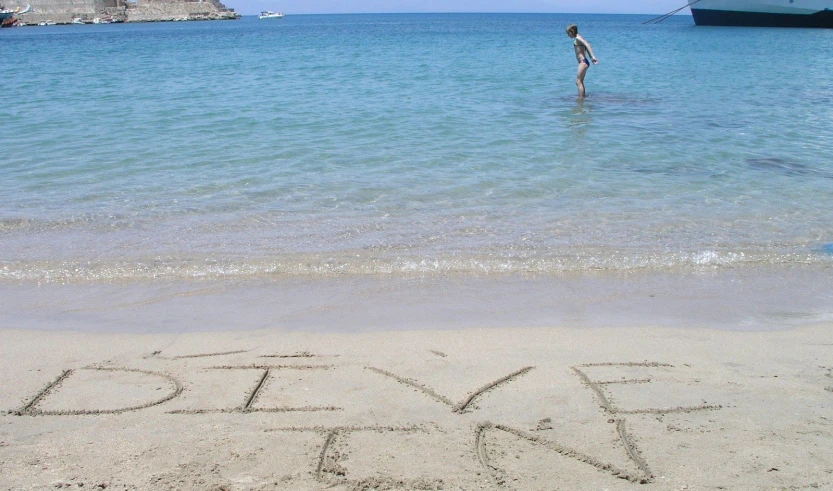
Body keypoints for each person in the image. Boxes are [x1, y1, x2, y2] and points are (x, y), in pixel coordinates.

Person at [565, 24, 598, 98]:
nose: (567, 35)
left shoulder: (578, 38)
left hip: (583, 62)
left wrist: (592, 56)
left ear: (572, 31)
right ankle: (582, 98)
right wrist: (591, 58)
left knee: (578, 81)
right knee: (580, 81)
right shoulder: (577, 38)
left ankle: (581, 99)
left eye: (568, 33)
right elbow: (585, 48)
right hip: (584, 62)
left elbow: (587, 45)